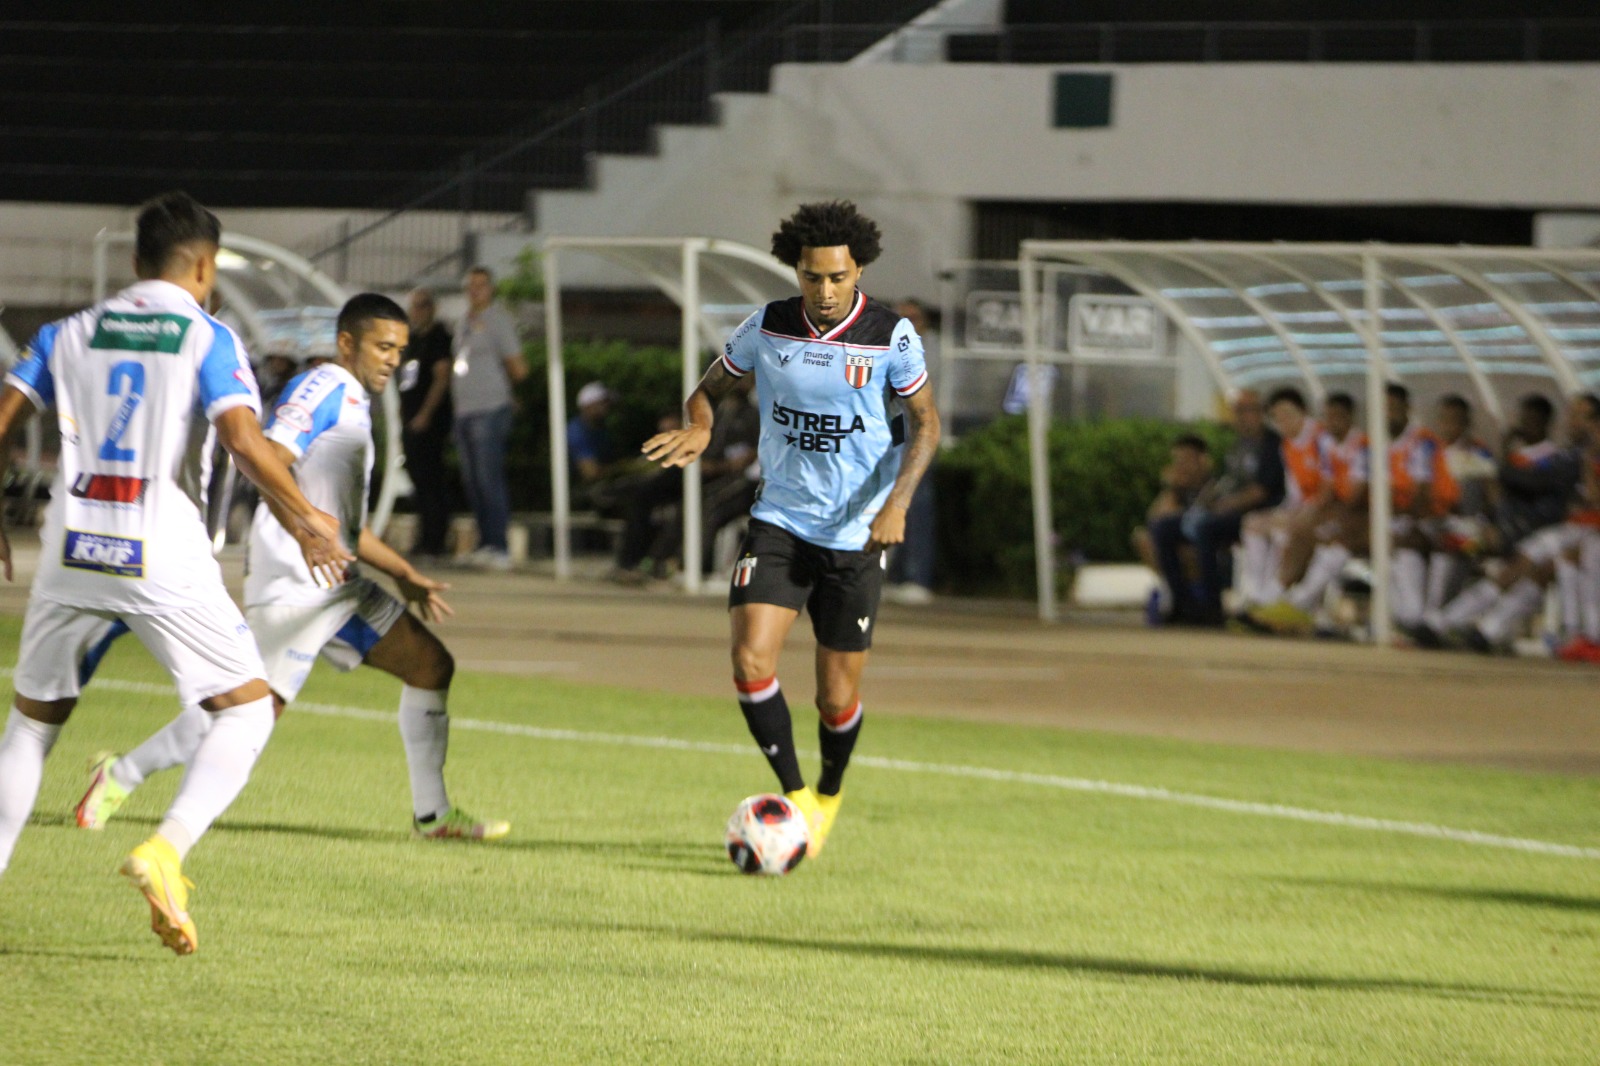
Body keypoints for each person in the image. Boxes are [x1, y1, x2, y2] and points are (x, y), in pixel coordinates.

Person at [0, 191, 350, 955]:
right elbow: (245, 442)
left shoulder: (64, 333)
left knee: (30, 726)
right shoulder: (206, 335)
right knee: (247, 709)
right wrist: (306, 521)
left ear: (133, 263)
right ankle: (166, 849)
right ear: (202, 265)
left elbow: (2, 419)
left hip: (70, 544)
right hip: (158, 545)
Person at [73, 292, 509, 843]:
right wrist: (304, 532)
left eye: (399, 349)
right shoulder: (324, 388)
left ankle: (434, 815)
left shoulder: (353, 399)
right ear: (347, 343)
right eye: (382, 346)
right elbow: (266, 462)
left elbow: (337, 522)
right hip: (295, 584)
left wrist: (401, 570)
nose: (393, 358)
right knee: (249, 711)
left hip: (338, 584)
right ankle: (121, 773)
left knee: (430, 666)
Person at [642, 201, 939, 856]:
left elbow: (928, 423)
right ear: (797, 271)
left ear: (858, 269)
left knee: (836, 696)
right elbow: (710, 387)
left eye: (837, 277)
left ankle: (829, 793)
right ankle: (796, 794)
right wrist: (700, 423)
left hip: (858, 535)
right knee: (750, 657)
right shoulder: (768, 326)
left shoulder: (891, 335)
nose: (825, 291)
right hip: (780, 519)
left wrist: (899, 504)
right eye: (812, 277)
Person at [1426, 394, 1597, 652]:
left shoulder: (1576, 458)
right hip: (1566, 528)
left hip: (1583, 530)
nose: (1570, 422)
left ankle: (1465, 625)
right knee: (1528, 567)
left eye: (1578, 417)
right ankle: (1468, 627)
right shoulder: (1573, 455)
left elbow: (1541, 482)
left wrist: (1501, 467)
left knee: (1534, 566)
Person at [1148, 389, 1284, 626]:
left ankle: (1212, 608)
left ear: (1260, 413)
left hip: (1255, 515)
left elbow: (1260, 491)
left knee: (1205, 529)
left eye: (1246, 411)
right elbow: (1227, 482)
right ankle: (1184, 604)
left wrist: (1226, 505)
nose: (1241, 417)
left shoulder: (1272, 445)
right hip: (1224, 512)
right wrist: (1211, 502)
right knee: (1163, 528)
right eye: (1237, 411)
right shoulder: (1238, 446)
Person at [451, 266, 526, 570]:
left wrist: (503, 392)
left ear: (491, 289)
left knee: (488, 478)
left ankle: (500, 547)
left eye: (481, 285)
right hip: (465, 411)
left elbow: (518, 367)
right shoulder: (463, 322)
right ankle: (485, 544)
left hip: (489, 409)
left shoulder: (498, 319)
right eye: (471, 286)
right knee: (473, 482)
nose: (475, 291)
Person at [1234, 386, 1330, 615]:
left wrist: (1297, 513)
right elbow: (1294, 492)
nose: (1283, 422)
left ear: (1303, 412)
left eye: (1288, 415)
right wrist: (1284, 513)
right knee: (1253, 524)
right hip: (1301, 509)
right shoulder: (1286, 446)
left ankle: (1274, 598)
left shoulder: (1321, 439)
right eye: (1277, 418)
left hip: (1324, 509)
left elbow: (1328, 487)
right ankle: (1256, 594)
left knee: (1282, 530)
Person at [885, 298, 940, 605]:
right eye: (901, 316)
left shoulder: (932, 349)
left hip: (921, 435)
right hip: (895, 432)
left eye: (913, 317)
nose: (906, 321)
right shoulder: (889, 345)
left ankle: (918, 576)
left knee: (917, 503)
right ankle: (897, 574)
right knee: (893, 500)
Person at [399, 288, 453, 561]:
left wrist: (425, 414)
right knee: (418, 480)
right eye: (413, 307)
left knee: (431, 479)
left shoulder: (438, 337)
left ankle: (436, 540)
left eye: (421, 306)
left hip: (428, 422)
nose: (416, 312)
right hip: (410, 420)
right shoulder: (413, 340)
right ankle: (425, 538)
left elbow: (442, 377)